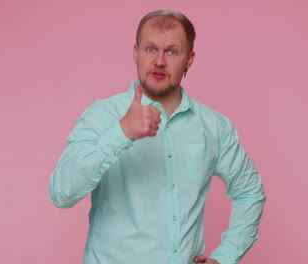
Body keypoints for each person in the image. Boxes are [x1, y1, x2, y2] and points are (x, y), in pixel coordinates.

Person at [49, 10, 266, 264]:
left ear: (189, 59)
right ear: (135, 52)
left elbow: (250, 192)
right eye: (150, 49)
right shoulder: (102, 116)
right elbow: (61, 193)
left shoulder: (214, 126)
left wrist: (226, 256)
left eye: (172, 51)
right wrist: (121, 133)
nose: (159, 62)